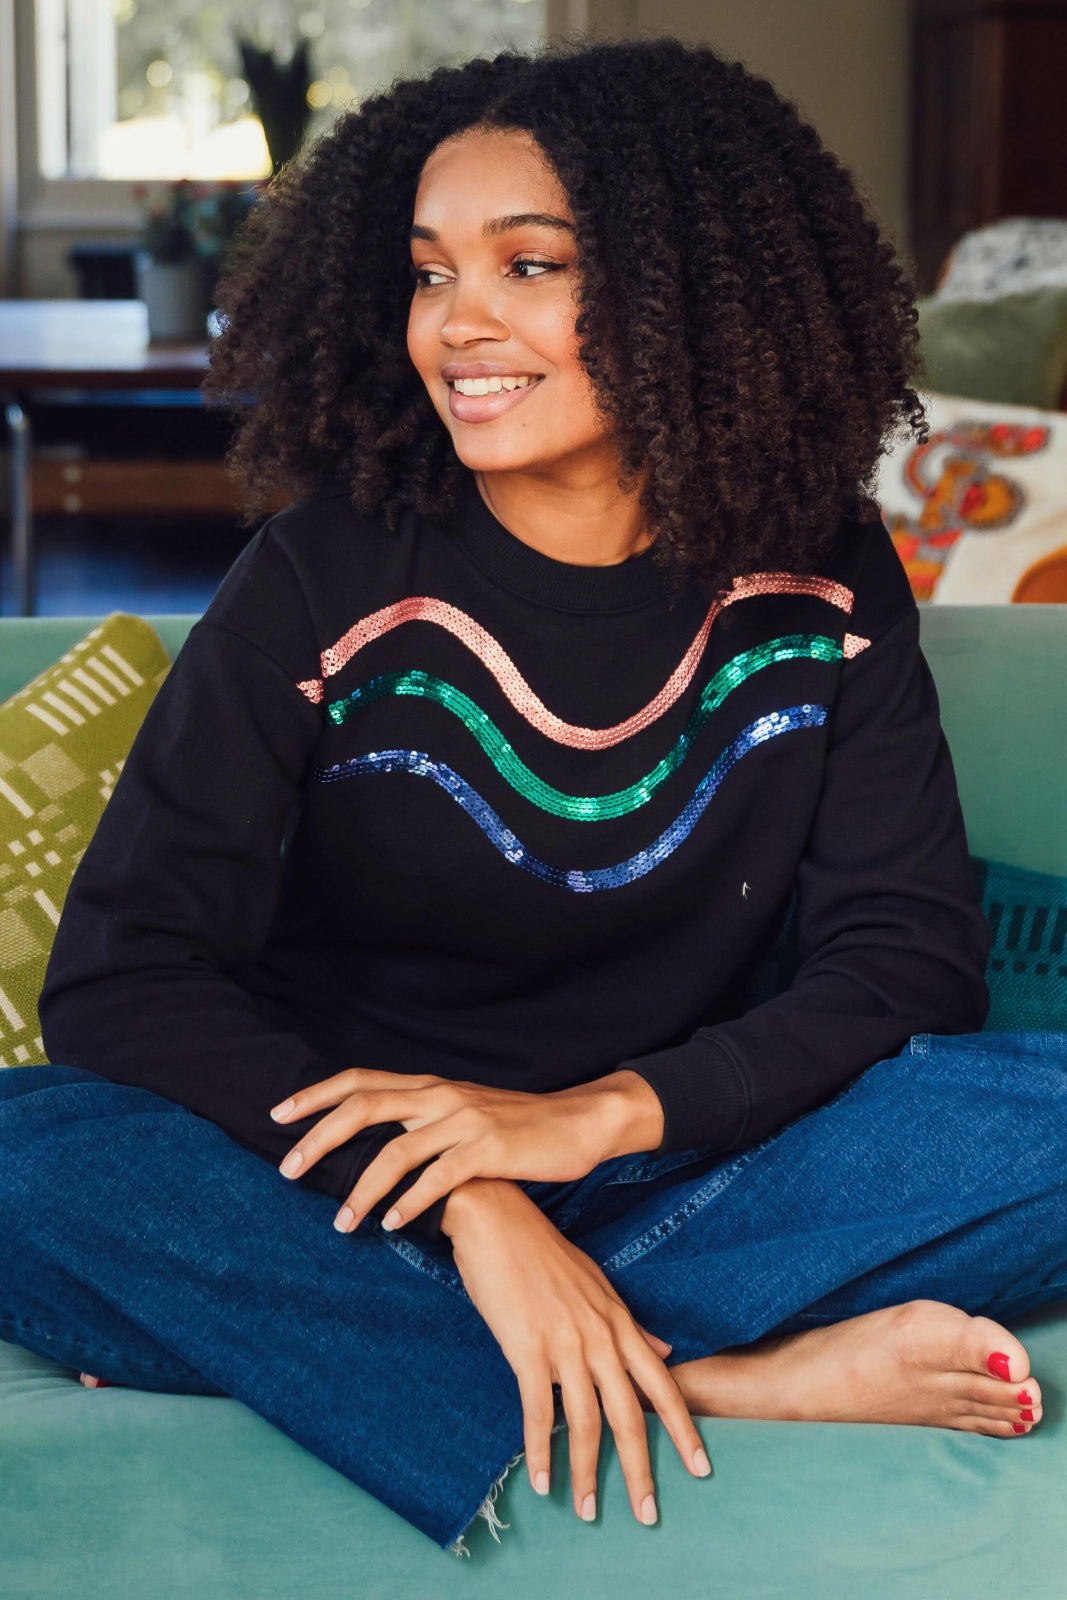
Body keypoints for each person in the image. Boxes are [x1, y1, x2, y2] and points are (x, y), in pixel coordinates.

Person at [2, 34, 1064, 1560]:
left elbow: (903, 960)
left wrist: (587, 1122)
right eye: (430, 274)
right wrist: (466, 1201)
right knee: (27, 1159)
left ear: (699, 293)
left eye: (530, 265)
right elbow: (122, 980)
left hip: (684, 1173)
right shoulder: (325, 568)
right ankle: (719, 1384)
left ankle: (387, 1362)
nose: (460, 325)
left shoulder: (815, 568)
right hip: (354, 1201)